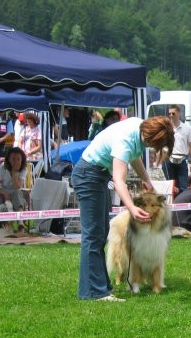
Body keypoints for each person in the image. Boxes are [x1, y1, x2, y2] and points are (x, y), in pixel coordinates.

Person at [72, 116, 174, 302]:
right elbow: (119, 181)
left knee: (100, 234)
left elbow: (134, 157)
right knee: (93, 236)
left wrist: (146, 179)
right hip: (89, 176)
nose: (152, 148)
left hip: (97, 176)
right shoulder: (125, 140)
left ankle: (99, 287)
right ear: (150, 137)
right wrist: (132, 208)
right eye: (154, 145)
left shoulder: (138, 126)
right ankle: (94, 292)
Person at [163, 105, 191, 193]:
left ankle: (181, 205)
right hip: (168, 159)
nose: (171, 115)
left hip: (182, 160)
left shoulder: (187, 128)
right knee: (169, 187)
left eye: (173, 113)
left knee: (183, 187)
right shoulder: (165, 128)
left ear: (179, 113)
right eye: (169, 113)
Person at [0, 147, 28, 221]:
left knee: (17, 193)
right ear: (8, 159)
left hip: (16, 192)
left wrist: (13, 174)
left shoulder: (23, 169)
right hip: (2, 192)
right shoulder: (2, 168)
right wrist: (5, 193)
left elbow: (18, 187)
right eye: (13, 159)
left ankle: (20, 222)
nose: (15, 162)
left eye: (18, 159)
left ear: (22, 160)